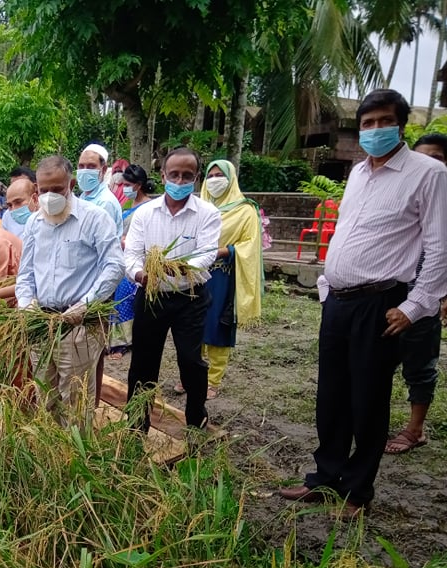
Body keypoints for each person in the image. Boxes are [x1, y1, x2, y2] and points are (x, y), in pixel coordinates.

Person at [278, 89, 447, 519]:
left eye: (384, 121)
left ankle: (357, 491)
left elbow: (439, 245)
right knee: (331, 394)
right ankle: (324, 478)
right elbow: (348, 231)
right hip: (338, 299)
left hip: (382, 302)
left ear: (401, 125)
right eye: (368, 123)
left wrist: (415, 306)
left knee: (368, 396)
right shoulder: (358, 173)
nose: (375, 130)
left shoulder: (427, 174)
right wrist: (326, 285)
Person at [14, 155, 124, 427]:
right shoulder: (34, 224)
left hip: (79, 326)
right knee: (45, 394)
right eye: (44, 190)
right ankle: (52, 453)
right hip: (42, 324)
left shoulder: (94, 219)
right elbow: (26, 274)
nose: (50, 196)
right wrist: (27, 304)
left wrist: (86, 304)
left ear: (71, 184)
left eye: (57, 189)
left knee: (75, 399)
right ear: (36, 189)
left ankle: (75, 456)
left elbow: (114, 265)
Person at [124, 147, 220, 431]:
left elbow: (206, 255)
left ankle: (195, 419)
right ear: (163, 175)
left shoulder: (208, 214)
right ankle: (136, 424)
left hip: (190, 297)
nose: (179, 181)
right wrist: (142, 275)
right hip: (151, 295)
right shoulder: (145, 214)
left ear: (196, 178)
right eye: (174, 174)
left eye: (186, 175)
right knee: (143, 362)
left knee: (190, 360)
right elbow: (131, 254)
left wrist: (171, 267)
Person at [385, 132, 447, 454]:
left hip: (424, 299)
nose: (424, 164)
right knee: (379, 361)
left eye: (434, 157)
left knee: (419, 364)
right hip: (388, 294)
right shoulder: (401, 198)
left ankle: (415, 429)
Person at [195, 159, 263, 399]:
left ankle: (212, 381)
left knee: (217, 328)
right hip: (195, 276)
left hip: (224, 276)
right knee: (193, 326)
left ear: (231, 178)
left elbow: (250, 245)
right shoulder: (198, 207)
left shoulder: (245, 211)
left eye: (219, 175)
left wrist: (222, 251)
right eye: (210, 176)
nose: (214, 180)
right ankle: (191, 375)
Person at [107, 164, 156, 359]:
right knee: (118, 299)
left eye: (127, 184)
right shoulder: (128, 206)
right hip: (122, 256)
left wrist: (127, 242)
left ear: (138, 185)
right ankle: (119, 340)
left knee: (125, 298)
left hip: (139, 259)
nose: (124, 188)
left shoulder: (150, 207)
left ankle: (124, 342)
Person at [77, 143, 124, 238]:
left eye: (91, 166)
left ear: (104, 169)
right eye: (81, 166)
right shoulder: (84, 196)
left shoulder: (105, 203)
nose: (85, 171)